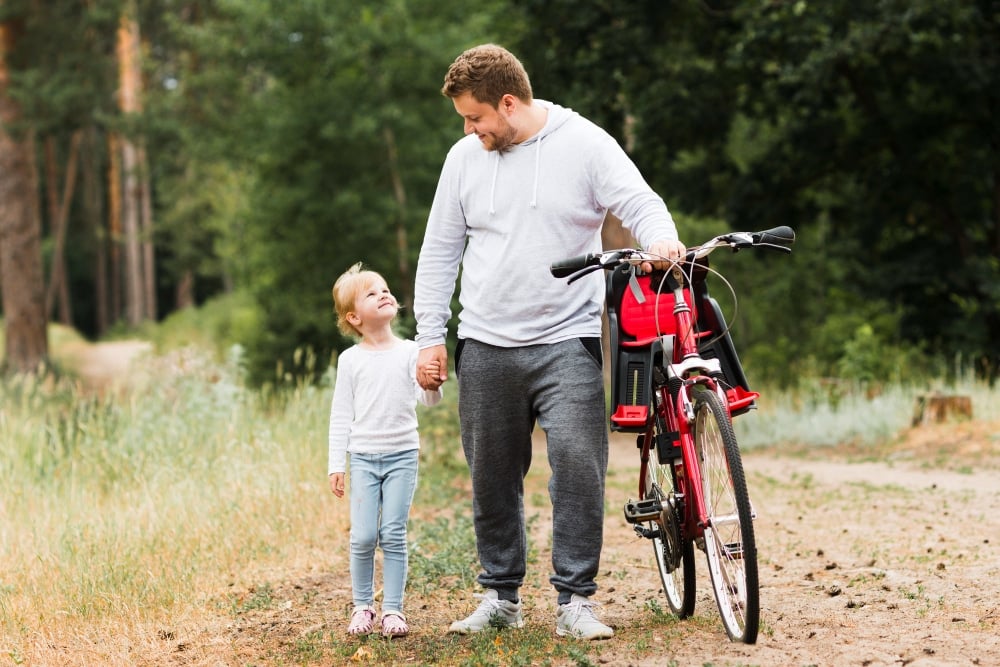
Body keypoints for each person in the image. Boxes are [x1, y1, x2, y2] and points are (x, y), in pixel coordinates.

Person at [413, 44, 686, 640]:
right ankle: (500, 596)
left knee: (578, 468)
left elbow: (640, 202)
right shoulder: (462, 160)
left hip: (568, 338)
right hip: (485, 341)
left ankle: (575, 601)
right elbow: (439, 253)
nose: (470, 129)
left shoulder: (585, 144)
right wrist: (428, 338)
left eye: (476, 117)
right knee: (491, 475)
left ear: (508, 103)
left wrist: (661, 240)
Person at [328, 262, 443, 638]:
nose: (384, 294)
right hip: (362, 458)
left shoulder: (411, 352)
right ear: (354, 317)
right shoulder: (350, 361)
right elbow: (341, 415)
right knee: (362, 536)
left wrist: (432, 382)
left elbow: (429, 400)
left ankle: (393, 610)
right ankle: (363, 606)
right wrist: (336, 464)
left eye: (385, 288)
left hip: (402, 455)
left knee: (393, 534)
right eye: (371, 293)